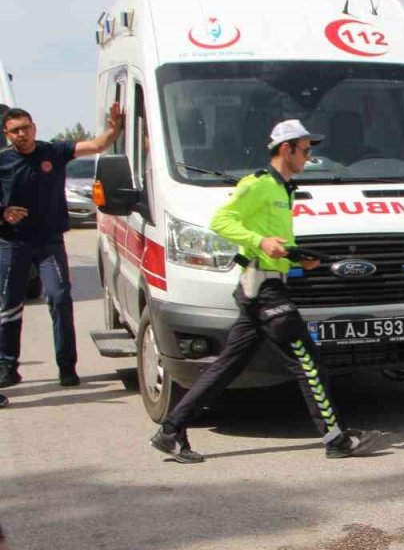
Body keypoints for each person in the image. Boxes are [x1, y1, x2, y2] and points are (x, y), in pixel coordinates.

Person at [149, 119, 382, 463]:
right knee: (308, 360)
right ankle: (335, 437)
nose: (309, 156)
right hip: (264, 289)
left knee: (226, 365)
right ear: (285, 149)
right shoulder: (257, 185)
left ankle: (170, 431)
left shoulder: (285, 189)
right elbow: (222, 221)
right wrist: (260, 242)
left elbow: (276, 242)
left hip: (263, 286)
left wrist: (296, 258)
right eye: (304, 150)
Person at [0, 104, 125, 389]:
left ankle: (67, 367)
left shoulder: (52, 152)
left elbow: (95, 145)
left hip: (48, 243)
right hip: (12, 243)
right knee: (9, 305)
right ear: (7, 134)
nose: (23, 134)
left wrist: (114, 128)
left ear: (34, 127)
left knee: (59, 298)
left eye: (27, 128)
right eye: (16, 130)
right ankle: (7, 367)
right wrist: (3, 213)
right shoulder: (3, 162)